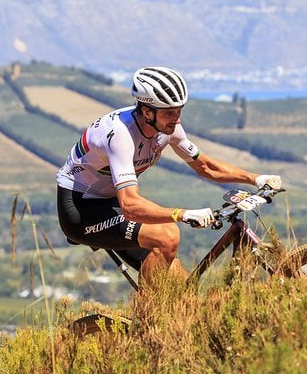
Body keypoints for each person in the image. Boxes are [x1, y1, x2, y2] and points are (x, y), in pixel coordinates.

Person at [56, 66, 284, 288]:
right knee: (167, 234)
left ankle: (160, 323)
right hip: (81, 210)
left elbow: (205, 166)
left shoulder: (167, 127)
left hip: (111, 204)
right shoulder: (120, 135)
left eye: (179, 110)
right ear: (147, 111)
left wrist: (256, 178)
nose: (176, 119)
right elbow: (130, 205)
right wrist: (182, 214)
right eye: (168, 113)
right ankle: (145, 322)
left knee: (183, 295)